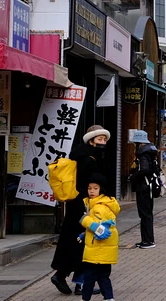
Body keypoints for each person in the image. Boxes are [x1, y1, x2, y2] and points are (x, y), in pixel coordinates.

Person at [50, 125, 111, 296]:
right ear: (91, 140)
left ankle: (66, 277)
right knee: (84, 243)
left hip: (76, 205)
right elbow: (91, 182)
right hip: (84, 205)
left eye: (104, 139)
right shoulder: (89, 158)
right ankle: (78, 283)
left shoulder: (82, 154)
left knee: (75, 242)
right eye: (99, 139)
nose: (103, 142)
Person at [78, 173, 119, 301]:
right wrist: (85, 234)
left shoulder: (99, 206)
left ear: (101, 189)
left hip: (96, 249)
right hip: (104, 250)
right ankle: (109, 298)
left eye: (95, 188)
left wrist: (85, 219)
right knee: (103, 276)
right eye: (90, 188)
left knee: (89, 277)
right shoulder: (103, 203)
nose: (92, 191)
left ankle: (85, 298)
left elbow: (97, 226)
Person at [130, 130, 159, 249]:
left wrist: (133, 176)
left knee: (145, 214)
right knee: (147, 213)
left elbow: (144, 169)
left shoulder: (143, 155)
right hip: (149, 187)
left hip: (144, 187)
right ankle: (146, 240)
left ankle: (148, 241)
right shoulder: (151, 153)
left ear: (139, 143)